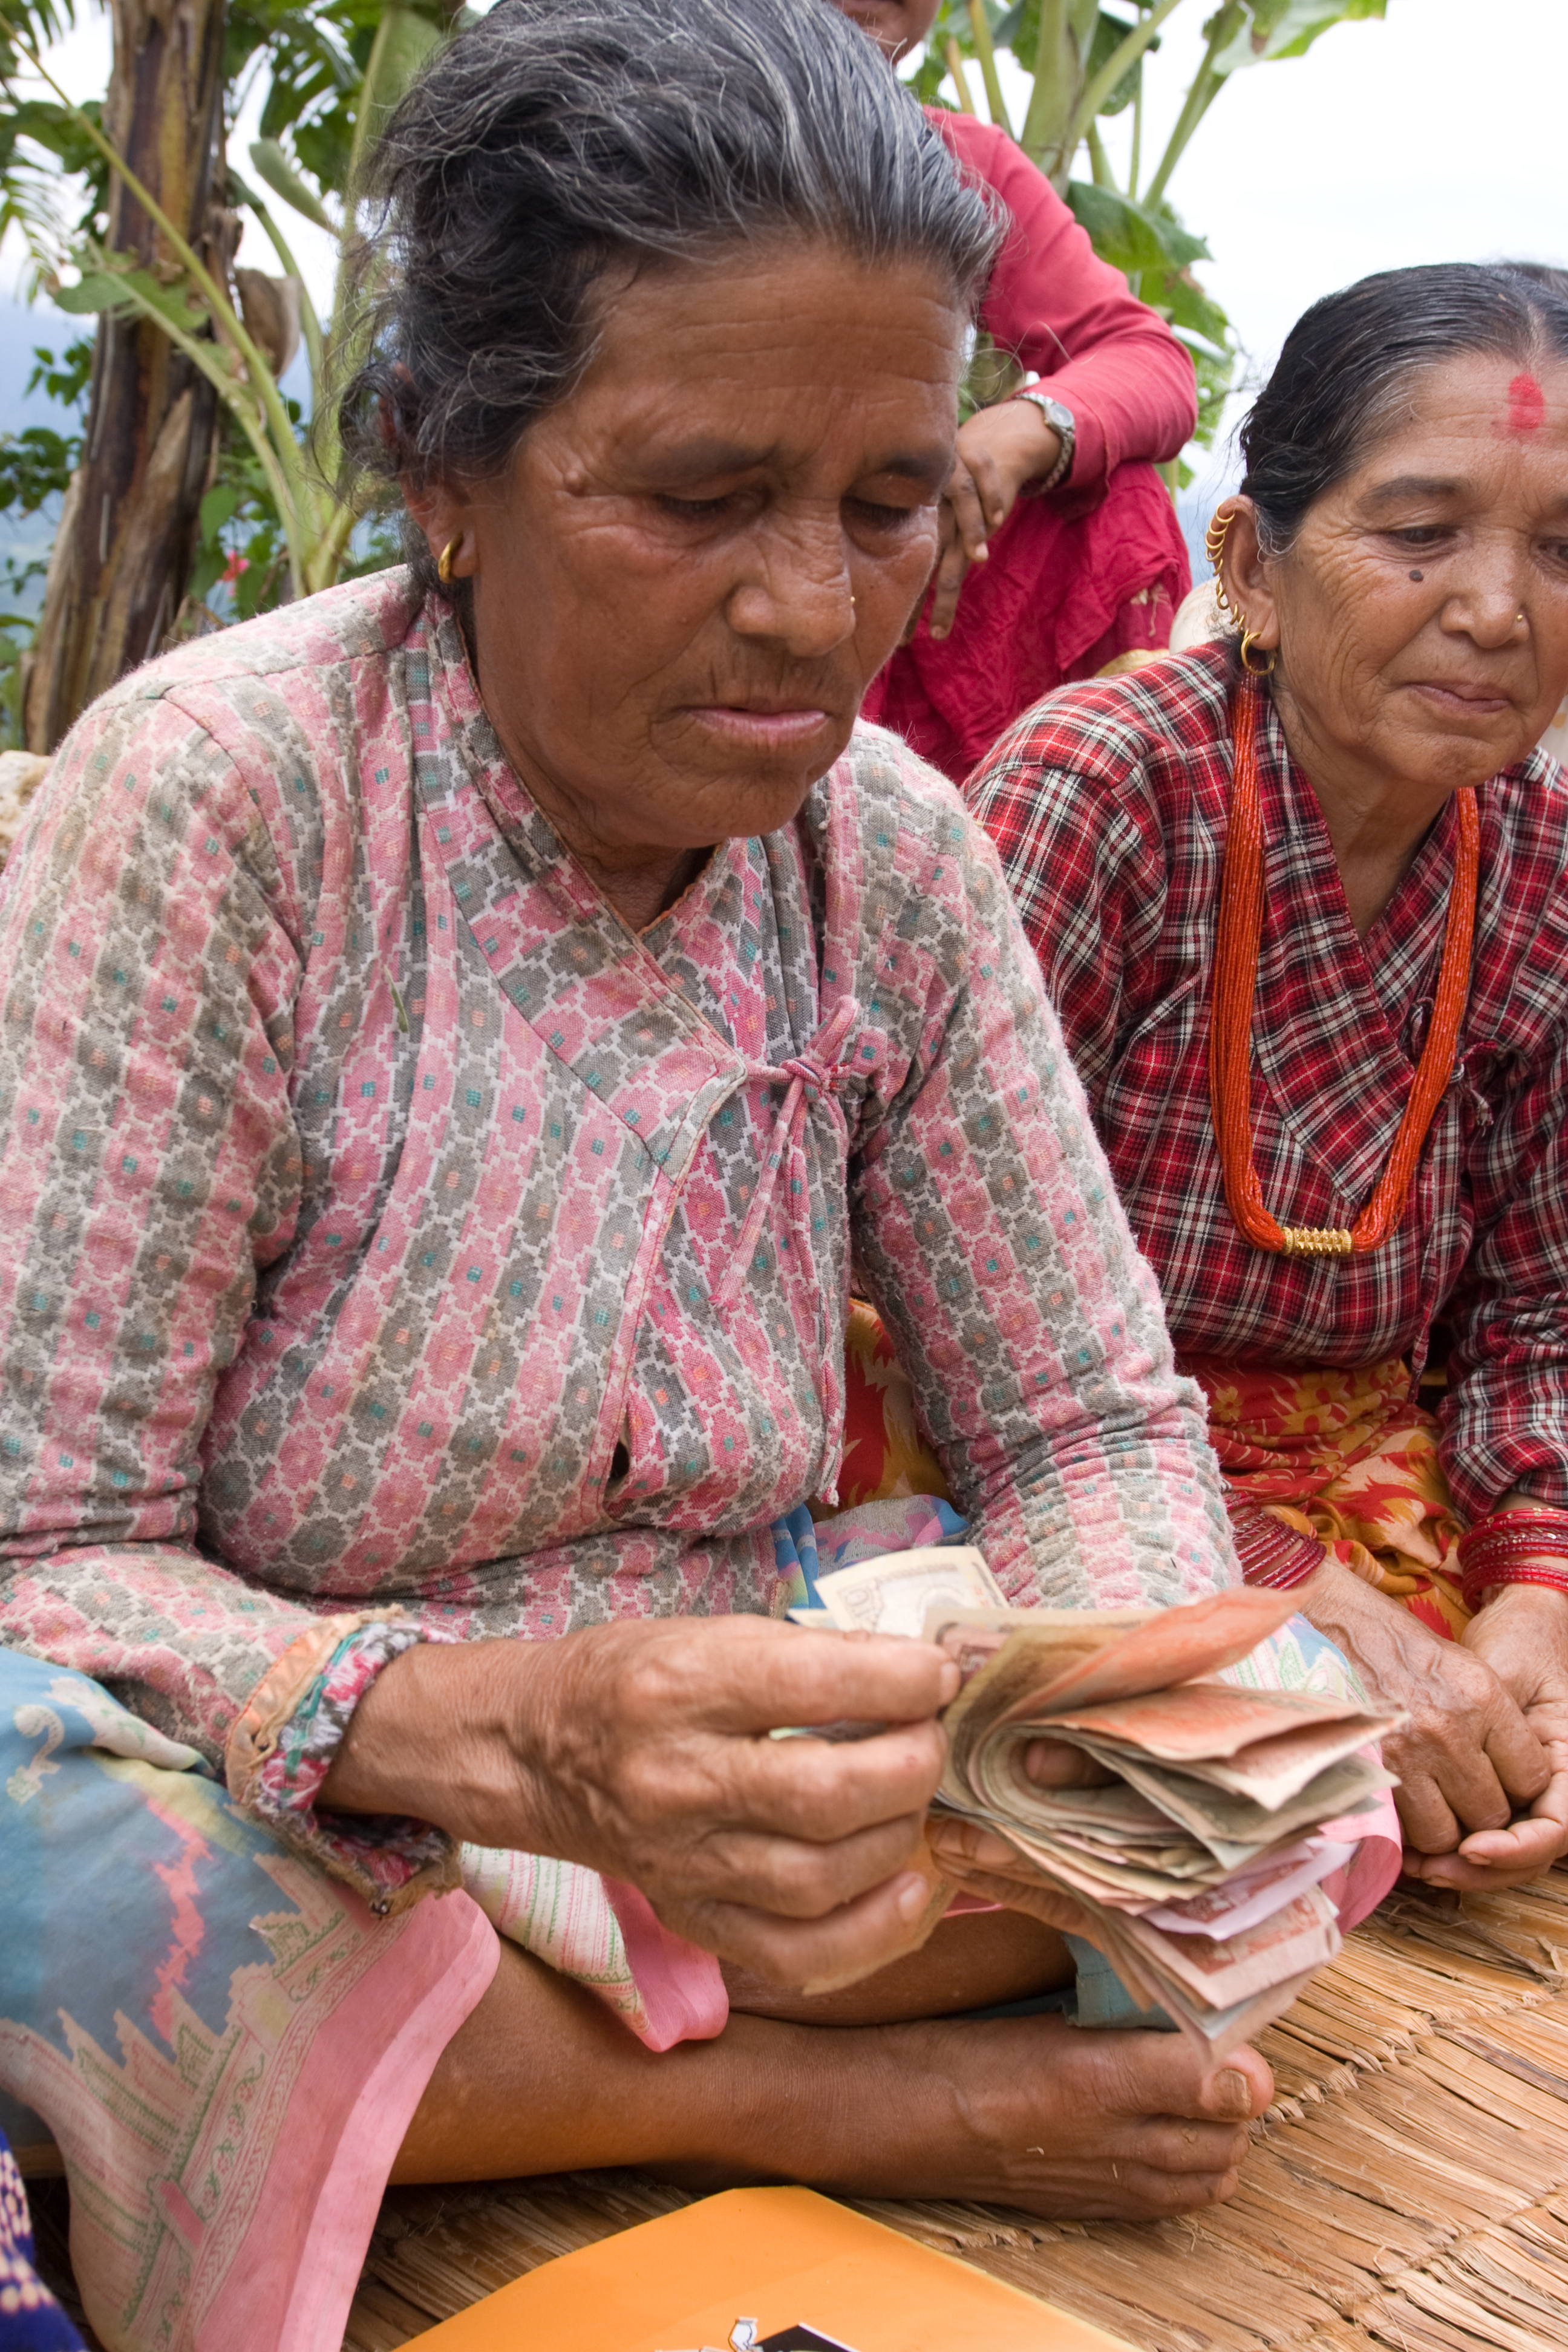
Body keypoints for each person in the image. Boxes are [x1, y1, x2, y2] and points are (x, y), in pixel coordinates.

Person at [0, 6, 1375, 2343]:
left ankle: (568, 2034)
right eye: (696, 495)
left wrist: (1076, 1724)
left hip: (746, 1719)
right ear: (447, 467)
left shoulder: (894, 852)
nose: (810, 610)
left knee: (1286, 1725)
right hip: (297, 1722)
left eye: (883, 506)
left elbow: (1077, 1421)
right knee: (54, 1863)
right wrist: (518, 1730)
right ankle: (815, 2093)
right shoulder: (228, 798)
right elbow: (45, 1542)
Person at [966, 264, 1568, 1904]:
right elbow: (927, 1294)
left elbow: (1535, 1316)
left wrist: (1534, 1605)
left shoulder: (1541, 867)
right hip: (1037, 1453)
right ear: (1255, 566)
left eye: (1562, 551)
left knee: (1510, 1722)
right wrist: (1286, 1591)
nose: (1501, 611)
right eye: (1420, 533)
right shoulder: (1106, 789)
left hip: (1357, 1453)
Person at [831, 0, 1197, 782]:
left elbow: (1148, 358)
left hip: (905, 601)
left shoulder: (959, 161)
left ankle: (1074, 822)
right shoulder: (617, 130)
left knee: (1114, 500)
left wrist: (1027, 427)